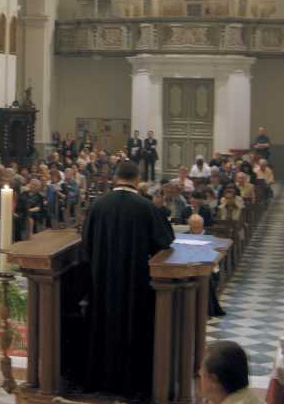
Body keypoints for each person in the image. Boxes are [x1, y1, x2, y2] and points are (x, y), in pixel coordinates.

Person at [82, 161, 174, 399]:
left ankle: (101, 380)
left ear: (115, 177)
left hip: (102, 282)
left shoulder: (98, 205)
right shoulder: (145, 207)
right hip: (135, 283)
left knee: (102, 326)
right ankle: (130, 384)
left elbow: (86, 244)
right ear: (137, 178)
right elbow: (164, 242)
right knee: (133, 328)